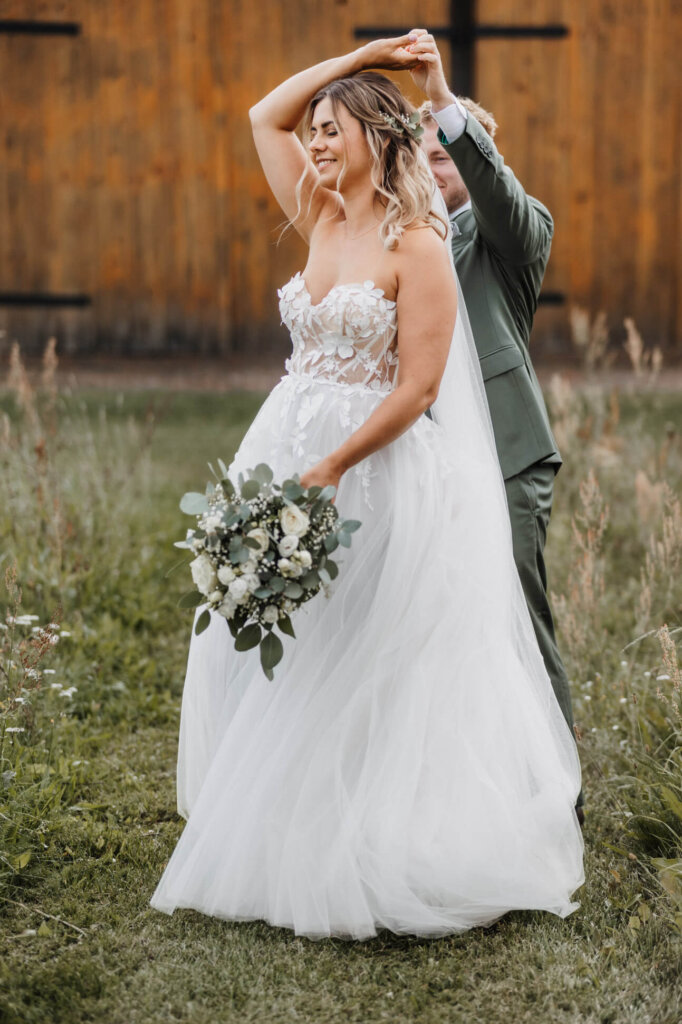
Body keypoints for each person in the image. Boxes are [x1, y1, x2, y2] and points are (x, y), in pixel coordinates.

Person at [150, 33, 584, 941]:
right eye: (313, 132)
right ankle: (292, 814)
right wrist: (358, 61)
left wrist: (336, 463)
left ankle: (516, 797)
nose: (315, 142)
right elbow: (263, 116)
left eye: (333, 130)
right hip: (290, 446)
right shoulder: (320, 213)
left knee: (429, 641)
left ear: (380, 142)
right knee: (302, 642)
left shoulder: (448, 239)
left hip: (392, 462)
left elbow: (419, 387)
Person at [404, 30, 584, 822]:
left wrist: (442, 104)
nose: (431, 170)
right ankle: (465, 796)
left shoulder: (515, 231)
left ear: (477, 160)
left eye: (443, 156)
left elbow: (499, 197)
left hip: (506, 458)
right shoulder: (410, 246)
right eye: (421, 158)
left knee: (515, 619)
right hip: (425, 460)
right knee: (438, 625)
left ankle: (557, 800)